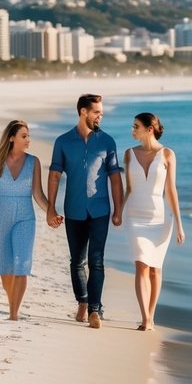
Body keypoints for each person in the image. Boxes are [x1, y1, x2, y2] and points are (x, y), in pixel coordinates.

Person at [47, 94, 123, 329]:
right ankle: (82, 301)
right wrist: (51, 208)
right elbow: (55, 175)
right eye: (97, 112)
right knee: (77, 261)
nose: (101, 115)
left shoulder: (107, 142)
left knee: (96, 261)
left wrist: (118, 209)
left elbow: (114, 178)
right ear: (83, 112)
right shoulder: (63, 141)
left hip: (100, 209)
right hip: (74, 209)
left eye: (101, 112)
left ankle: (94, 310)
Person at [0, 120, 59, 320]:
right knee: (3, 265)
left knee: (22, 264)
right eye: (23, 136)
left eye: (28, 135)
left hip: (25, 217)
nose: (28, 140)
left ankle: (13, 314)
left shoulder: (33, 162)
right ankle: (12, 302)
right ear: (11, 138)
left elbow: (37, 194)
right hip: (0, 216)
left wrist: (51, 211)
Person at [123, 112, 185, 331]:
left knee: (155, 269)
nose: (133, 130)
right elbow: (128, 188)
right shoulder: (129, 154)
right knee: (141, 264)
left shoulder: (168, 154)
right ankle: (145, 318)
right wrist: (118, 212)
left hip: (159, 220)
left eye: (136, 126)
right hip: (134, 217)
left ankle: (151, 314)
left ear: (150, 129)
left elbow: (171, 190)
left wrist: (179, 223)